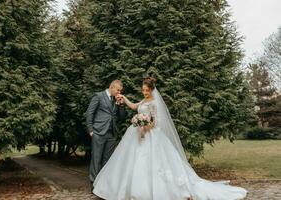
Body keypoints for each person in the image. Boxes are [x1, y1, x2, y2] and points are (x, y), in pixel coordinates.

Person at [92, 77, 247, 200]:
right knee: (132, 161)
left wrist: (144, 124)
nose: (144, 92)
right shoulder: (144, 101)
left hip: (150, 135)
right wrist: (125, 99)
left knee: (151, 163)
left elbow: (154, 122)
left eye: (146, 90)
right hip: (137, 134)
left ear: (152, 90)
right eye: (143, 90)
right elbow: (134, 107)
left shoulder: (153, 103)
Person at [86, 79, 126, 188]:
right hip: (98, 132)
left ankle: (103, 184)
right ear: (112, 87)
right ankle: (94, 183)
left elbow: (121, 118)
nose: (119, 93)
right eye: (118, 90)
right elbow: (90, 113)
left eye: (120, 91)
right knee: (96, 158)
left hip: (111, 133)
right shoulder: (98, 96)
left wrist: (121, 105)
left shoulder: (116, 100)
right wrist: (90, 130)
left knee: (107, 160)